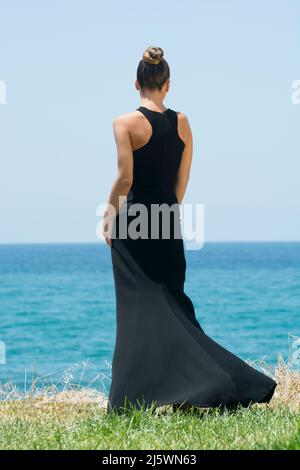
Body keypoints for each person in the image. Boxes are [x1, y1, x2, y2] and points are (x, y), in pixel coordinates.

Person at [103, 45, 277, 414]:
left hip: (134, 221)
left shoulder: (124, 123)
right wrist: (169, 214)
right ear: (167, 84)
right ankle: (200, 384)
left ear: (136, 83)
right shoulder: (183, 122)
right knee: (174, 303)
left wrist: (108, 214)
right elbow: (182, 179)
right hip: (168, 218)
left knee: (137, 310)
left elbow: (125, 177)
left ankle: (130, 399)